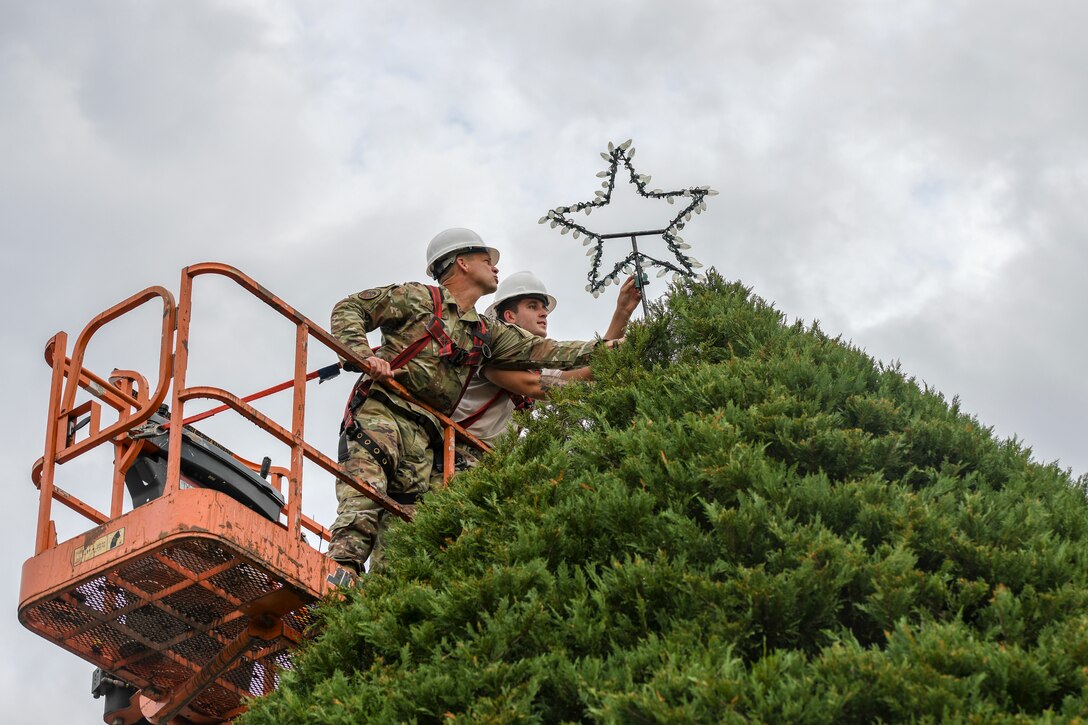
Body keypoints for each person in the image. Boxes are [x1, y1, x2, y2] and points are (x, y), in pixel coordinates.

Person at [327, 228, 621, 574]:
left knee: (405, 526)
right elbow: (350, 307)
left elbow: (546, 350)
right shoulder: (419, 299)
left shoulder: (485, 332)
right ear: (462, 263)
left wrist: (606, 349)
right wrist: (361, 355)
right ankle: (340, 572)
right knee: (364, 493)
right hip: (384, 408)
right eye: (486, 260)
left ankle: (381, 594)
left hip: (425, 432)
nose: (495, 268)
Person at [453, 271, 640, 446]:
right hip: (456, 448)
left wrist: (623, 312)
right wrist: (594, 391)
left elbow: (592, 370)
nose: (543, 313)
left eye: (544, 308)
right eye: (532, 306)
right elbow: (534, 386)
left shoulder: (536, 368)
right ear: (510, 316)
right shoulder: (491, 351)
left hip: (488, 459)